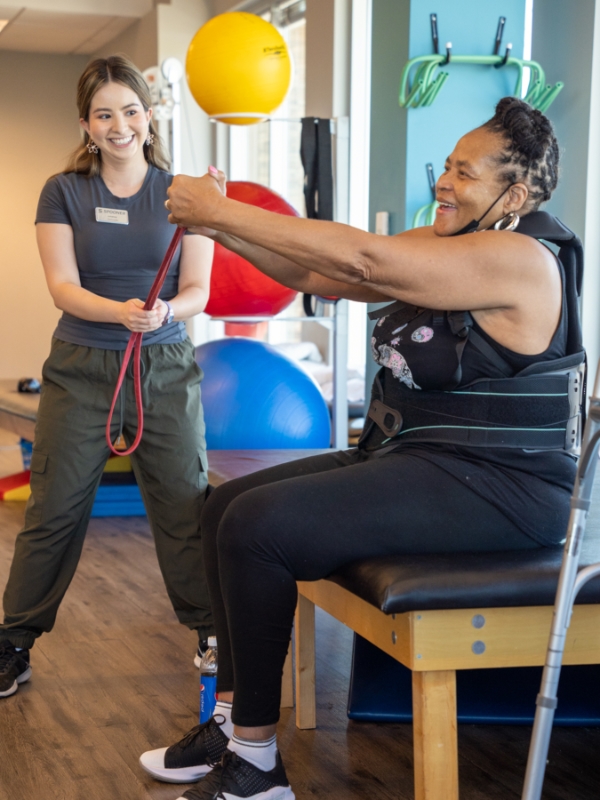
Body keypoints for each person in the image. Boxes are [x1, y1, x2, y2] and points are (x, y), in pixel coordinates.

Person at [139, 97, 580, 800]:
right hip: (422, 457)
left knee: (260, 529)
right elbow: (326, 277)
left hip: (504, 490)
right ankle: (230, 721)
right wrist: (214, 226)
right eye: (447, 166)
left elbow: (366, 257)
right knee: (225, 504)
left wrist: (221, 213)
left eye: (465, 173)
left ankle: (256, 768)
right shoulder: (450, 246)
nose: (444, 181)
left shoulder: (519, 258)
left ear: (515, 194)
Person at [0, 56, 215, 699]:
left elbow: (199, 288)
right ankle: (14, 642)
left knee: (185, 504)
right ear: (87, 125)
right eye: (103, 114)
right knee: (54, 509)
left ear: (149, 117)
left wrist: (165, 312)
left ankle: (210, 633)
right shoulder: (63, 191)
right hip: (83, 366)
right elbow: (63, 287)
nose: (118, 125)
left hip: (165, 366)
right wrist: (120, 312)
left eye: (129, 111)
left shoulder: (183, 193)